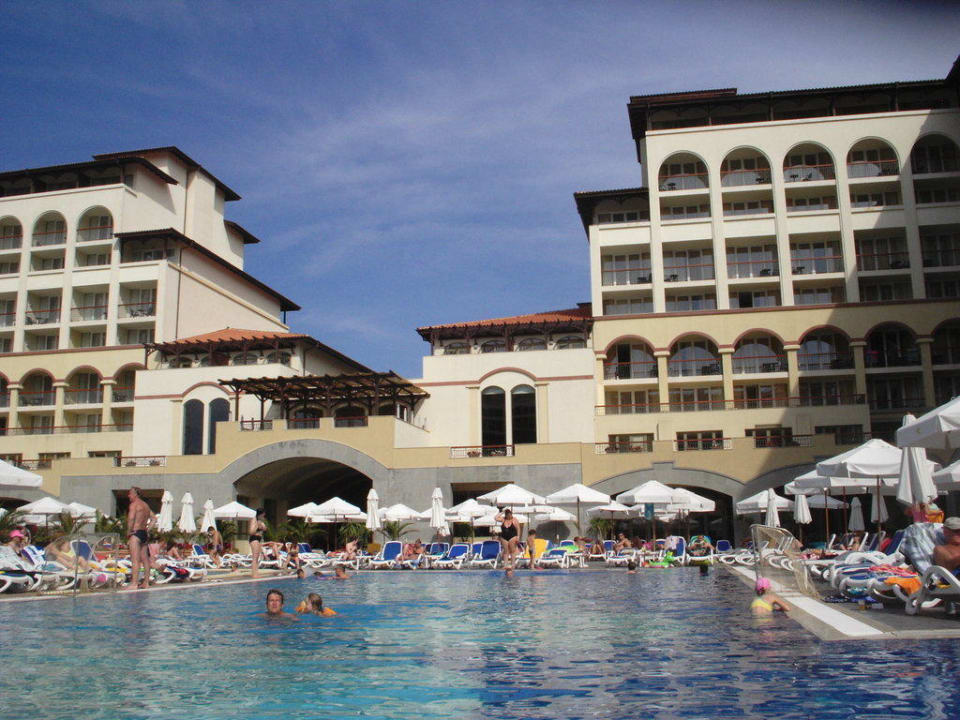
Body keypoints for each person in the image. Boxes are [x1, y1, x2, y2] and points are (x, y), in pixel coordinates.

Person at [127, 487, 153, 589]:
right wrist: (148, 529)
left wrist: (129, 531)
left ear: (135, 494)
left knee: (135, 560)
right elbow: (154, 519)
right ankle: (146, 583)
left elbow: (131, 518)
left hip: (136, 533)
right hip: (144, 534)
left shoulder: (134, 505)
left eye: (129, 494)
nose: (128, 496)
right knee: (145, 559)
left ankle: (134, 583)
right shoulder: (146, 506)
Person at [248, 508, 267, 578]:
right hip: (254, 540)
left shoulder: (259, 521)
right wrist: (257, 527)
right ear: (260, 514)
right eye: (263, 515)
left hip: (258, 540)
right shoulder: (254, 520)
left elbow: (265, 529)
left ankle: (256, 573)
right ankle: (254, 574)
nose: (264, 517)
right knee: (255, 557)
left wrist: (263, 527)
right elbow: (251, 532)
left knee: (257, 557)